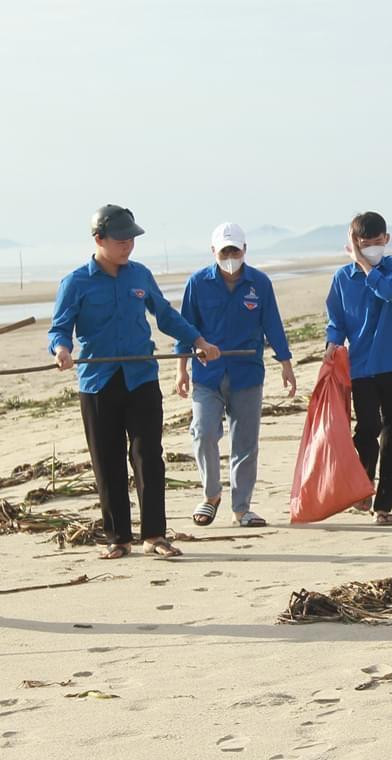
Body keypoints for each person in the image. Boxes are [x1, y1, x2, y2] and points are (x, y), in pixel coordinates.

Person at [48, 205, 221, 559]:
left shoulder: (140, 276)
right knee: (107, 460)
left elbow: (167, 316)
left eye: (131, 238)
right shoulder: (75, 282)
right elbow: (60, 328)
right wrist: (62, 349)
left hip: (141, 377)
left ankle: (155, 535)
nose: (128, 245)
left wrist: (199, 343)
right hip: (98, 382)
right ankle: (118, 538)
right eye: (120, 239)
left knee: (148, 456)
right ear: (99, 239)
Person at [175, 222, 296, 528]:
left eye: (235, 250)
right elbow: (185, 328)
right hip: (207, 374)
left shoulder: (260, 283)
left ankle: (241, 508)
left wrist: (286, 364)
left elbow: (273, 324)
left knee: (245, 442)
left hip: (247, 373)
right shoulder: (198, 283)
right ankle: (211, 495)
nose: (230, 255)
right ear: (213, 251)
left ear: (244, 250)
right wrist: (181, 370)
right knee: (203, 433)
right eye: (224, 250)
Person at [324, 212, 392, 526]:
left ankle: (384, 504)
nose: (372, 248)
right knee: (367, 429)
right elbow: (336, 320)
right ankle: (363, 485)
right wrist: (332, 344)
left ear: (386, 239)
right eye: (364, 244)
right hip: (361, 366)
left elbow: (389, 292)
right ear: (353, 242)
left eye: (377, 242)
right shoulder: (341, 278)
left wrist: (364, 264)